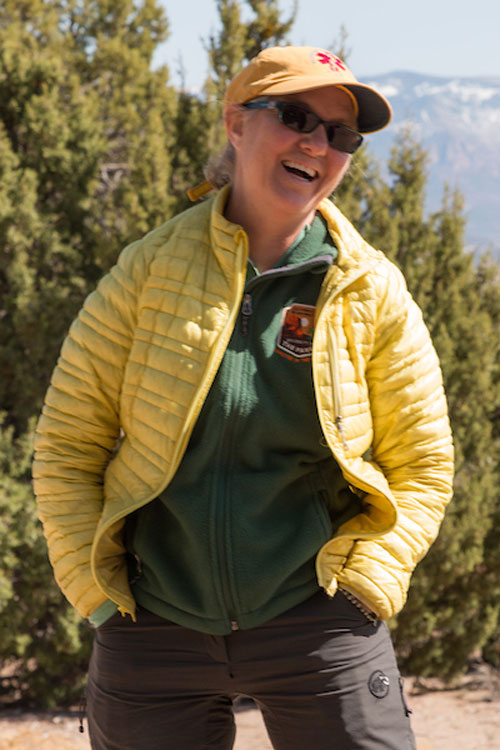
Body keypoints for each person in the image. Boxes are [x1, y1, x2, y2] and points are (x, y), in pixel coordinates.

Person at [33, 46, 454, 750]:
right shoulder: (148, 271)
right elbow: (68, 444)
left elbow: (425, 464)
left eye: (341, 135)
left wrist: (367, 582)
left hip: (320, 617)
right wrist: (97, 595)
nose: (317, 145)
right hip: (152, 623)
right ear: (236, 123)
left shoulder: (370, 288)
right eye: (296, 117)